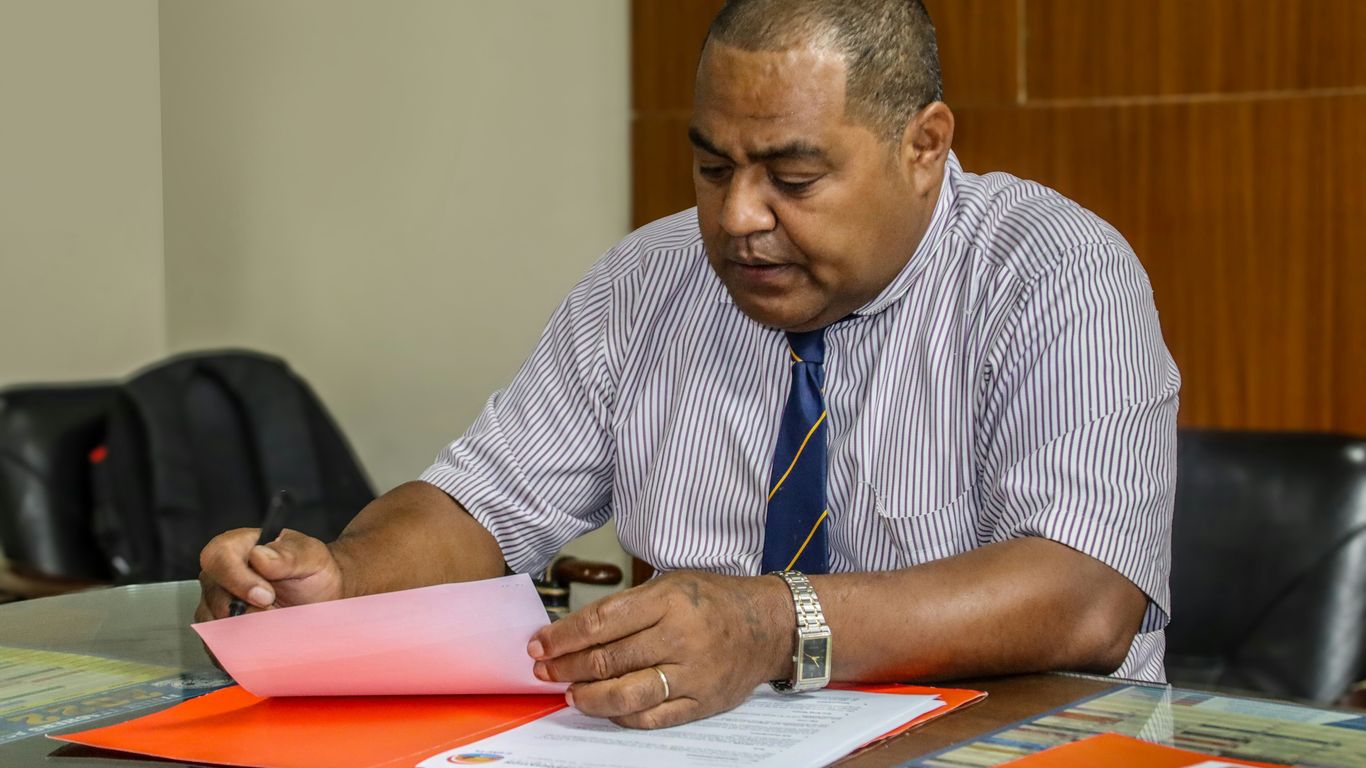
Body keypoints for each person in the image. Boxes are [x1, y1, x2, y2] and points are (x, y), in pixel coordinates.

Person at [197, 0, 1179, 730]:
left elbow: (1085, 594)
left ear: (922, 146)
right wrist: (346, 578)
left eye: (793, 178)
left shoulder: (1049, 270)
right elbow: (477, 505)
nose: (739, 218)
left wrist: (771, 623)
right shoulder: (650, 277)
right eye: (713, 168)